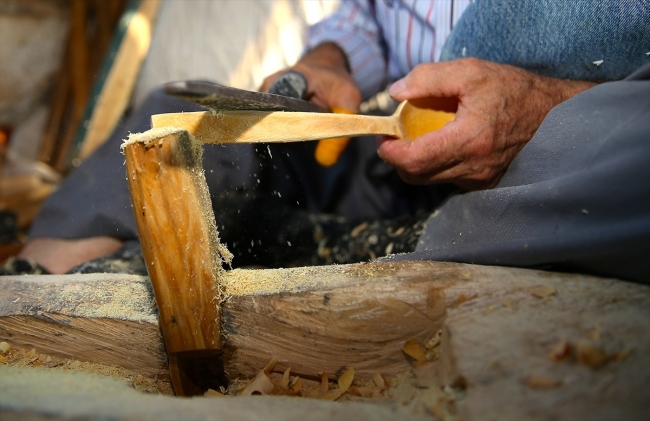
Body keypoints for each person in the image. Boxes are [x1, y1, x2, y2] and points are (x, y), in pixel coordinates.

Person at [8, 0, 650, 282]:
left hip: (559, 149)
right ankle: (44, 288)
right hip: (392, 157)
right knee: (185, 119)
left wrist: (543, 105)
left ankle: (380, 247)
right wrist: (327, 63)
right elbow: (362, 18)